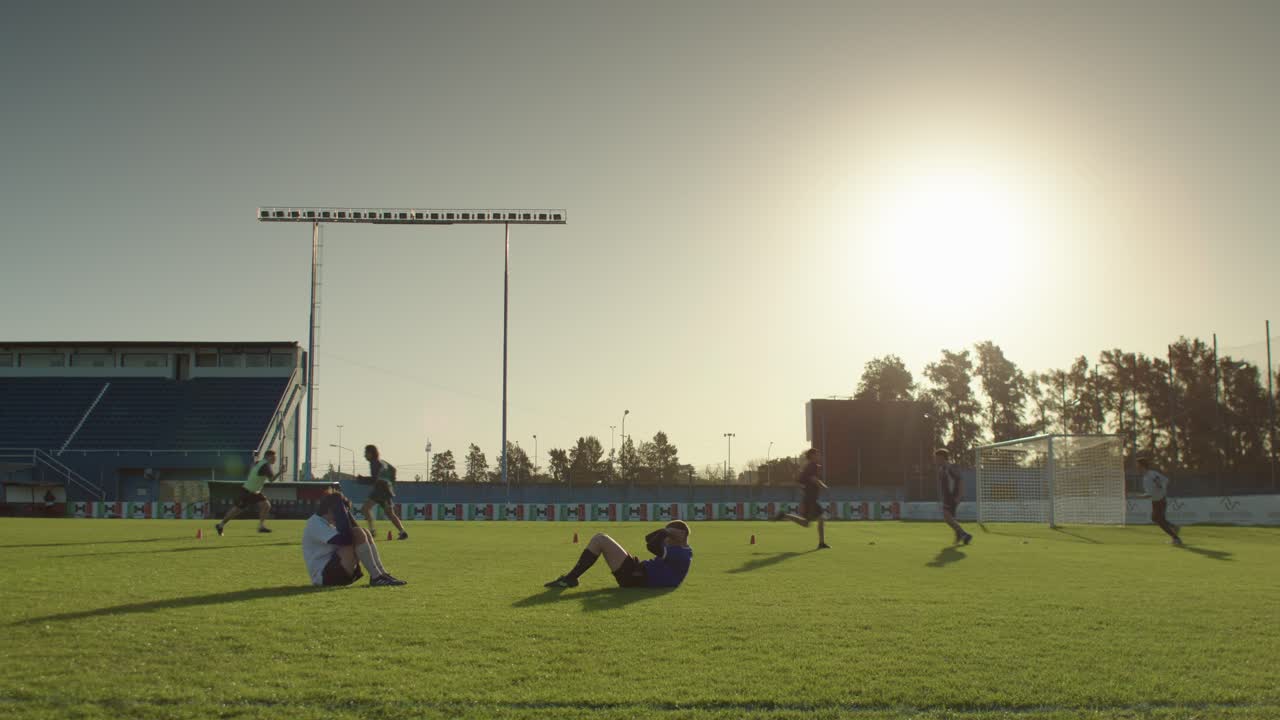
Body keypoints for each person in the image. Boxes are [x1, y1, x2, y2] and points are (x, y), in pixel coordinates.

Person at [544, 521, 692, 589]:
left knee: (600, 539)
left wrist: (666, 532)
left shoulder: (681, 553)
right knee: (600, 539)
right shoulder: (680, 549)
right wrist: (665, 530)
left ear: (681, 535)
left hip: (635, 577)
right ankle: (571, 578)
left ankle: (570, 579)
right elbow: (648, 539)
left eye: (669, 535)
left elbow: (651, 546)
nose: (666, 538)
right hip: (637, 573)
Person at [302, 491, 406, 587]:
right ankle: (376, 577)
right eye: (342, 513)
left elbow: (352, 534)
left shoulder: (328, 523)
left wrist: (345, 514)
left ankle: (381, 574)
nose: (341, 517)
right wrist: (344, 514)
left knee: (364, 531)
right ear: (330, 510)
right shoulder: (315, 523)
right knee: (357, 533)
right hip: (324, 577)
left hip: (334, 571)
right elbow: (345, 539)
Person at [216, 450, 286, 535]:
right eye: (274, 457)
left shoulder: (258, 463)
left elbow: (252, 469)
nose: (275, 460)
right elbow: (271, 480)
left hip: (253, 491)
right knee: (237, 510)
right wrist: (280, 472)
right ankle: (220, 525)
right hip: (248, 491)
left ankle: (261, 526)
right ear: (268, 456)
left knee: (266, 505)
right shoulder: (265, 465)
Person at [772, 448, 830, 549]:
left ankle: (785, 515)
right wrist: (823, 485)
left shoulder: (807, 467)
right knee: (821, 518)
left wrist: (805, 490)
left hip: (808, 499)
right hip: (811, 499)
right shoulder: (812, 466)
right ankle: (821, 543)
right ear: (812, 456)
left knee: (806, 523)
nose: (819, 456)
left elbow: (799, 480)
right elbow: (813, 478)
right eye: (817, 454)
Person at [354, 444, 408, 540]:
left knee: (365, 509)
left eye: (366, 453)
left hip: (380, 490)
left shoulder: (375, 463)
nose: (364, 455)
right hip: (384, 490)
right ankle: (402, 532)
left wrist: (361, 479)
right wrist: (391, 482)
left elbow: (374, 480)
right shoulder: (381, 462)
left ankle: (372, 531)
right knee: (389, 513)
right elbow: (394, 470)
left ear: (371, 453)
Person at [1131, 457, 1182, 545]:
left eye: (1138, 466)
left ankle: (1176, 538)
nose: (1137, 468)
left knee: (1158, 519)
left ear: (1142, 466)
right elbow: (1166, 480)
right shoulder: (1153, 473)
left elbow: (1149, 494)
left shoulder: (1147, 478)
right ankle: (1174, 528)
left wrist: (1138, 496)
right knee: (1157, 518)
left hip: (1158, 501)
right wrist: (1162, 491)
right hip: (1160, 500)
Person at [935, 449, 973, 545]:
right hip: (947, 496)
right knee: (950, 518)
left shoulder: (950, 468)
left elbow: (959, 481)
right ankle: (961, 535)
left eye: (937, 458)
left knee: (947, 516)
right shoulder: (941, 469)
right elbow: (943, 484)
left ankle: (963, 534)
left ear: (942, 457)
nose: (935, 460)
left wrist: (959, 496)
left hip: (952, 496)